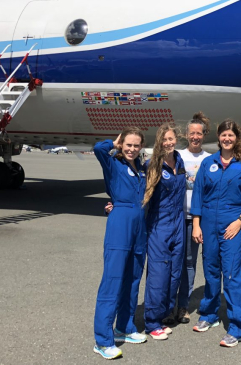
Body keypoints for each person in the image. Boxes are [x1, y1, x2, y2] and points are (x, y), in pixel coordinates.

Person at [190, 119, 241, 348]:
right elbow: (198, 194)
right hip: (208, 222)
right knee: (210, 270)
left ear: (237, 138)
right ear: (218, 137)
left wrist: (240, 221)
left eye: (231, 135)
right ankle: (209, 314)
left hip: (233, 223)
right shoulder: (209, 162)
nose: (227, 139)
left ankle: (238, 327)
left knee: (231, 274)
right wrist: (196, 224)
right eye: (223, 135)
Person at [93, 128, 148, 360]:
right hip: (120, 224)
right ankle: (103, 341)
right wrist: (113, 144)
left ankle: (124, 326)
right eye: (128, 145)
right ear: (122, 144)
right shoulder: (113, 164)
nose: (132, 149)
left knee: (133, 278)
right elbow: (98, 149)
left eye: (136, 146)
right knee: (113, 280)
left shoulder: (141, 170)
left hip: (139, 225)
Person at [164, 112, 212, 325]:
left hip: (196, 220)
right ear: (186, 134)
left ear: (204, 135)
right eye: (192, 133)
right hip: (175, 218)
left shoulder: (208, 160)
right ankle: (167, 305)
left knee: (189, 263)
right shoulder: (177, 156)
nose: (195, 137)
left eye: (199, 133)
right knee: (172, 262)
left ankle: (183, 305)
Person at [142, 123, 187, 340]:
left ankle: (161, 316)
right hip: (159, 225)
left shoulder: (179, 161)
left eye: (171, 139)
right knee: (158, 275)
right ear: (159, 142)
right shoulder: (154, 165)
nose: (169, 143)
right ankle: (151, 322)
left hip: (178, 224)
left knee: (174, 274)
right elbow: (141, 192)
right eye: (165, 140)